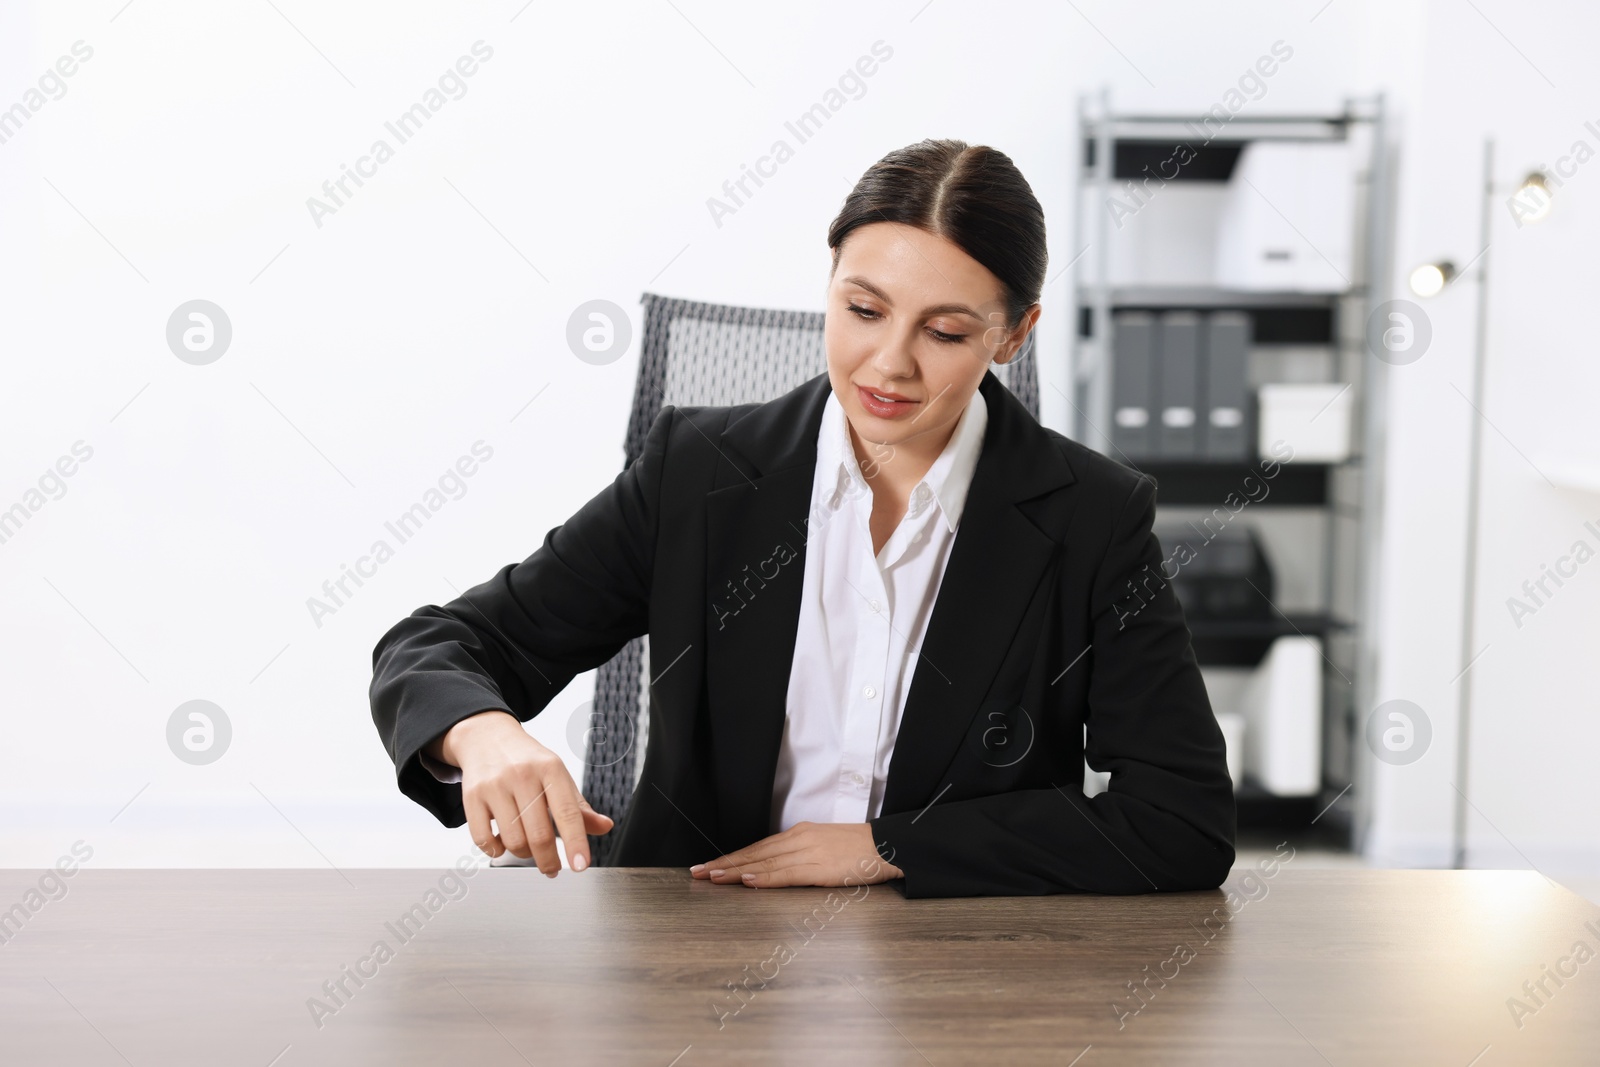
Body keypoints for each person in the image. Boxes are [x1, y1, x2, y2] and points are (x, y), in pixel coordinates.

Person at [369, 138, 1235, 899]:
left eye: (944, 332)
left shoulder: (1093, 517)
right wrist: (478, 732)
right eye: (863, 309)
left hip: (957, 975)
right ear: (830, 278)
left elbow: (1181, 820)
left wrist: (890, 848)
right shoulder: (699, 476)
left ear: (1012, 336)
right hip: (694, 954)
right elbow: (441, 644)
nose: (888, 365)